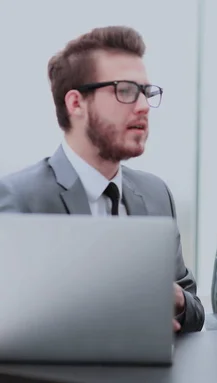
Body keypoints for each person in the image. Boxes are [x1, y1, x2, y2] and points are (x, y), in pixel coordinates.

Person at [0, 26, 205, 333]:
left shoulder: (156, 194)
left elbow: (196, 311)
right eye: (125, 90)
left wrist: (174, 299)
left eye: (146, 91)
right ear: (75, 104)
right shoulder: (19, 197)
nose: (144, 105)